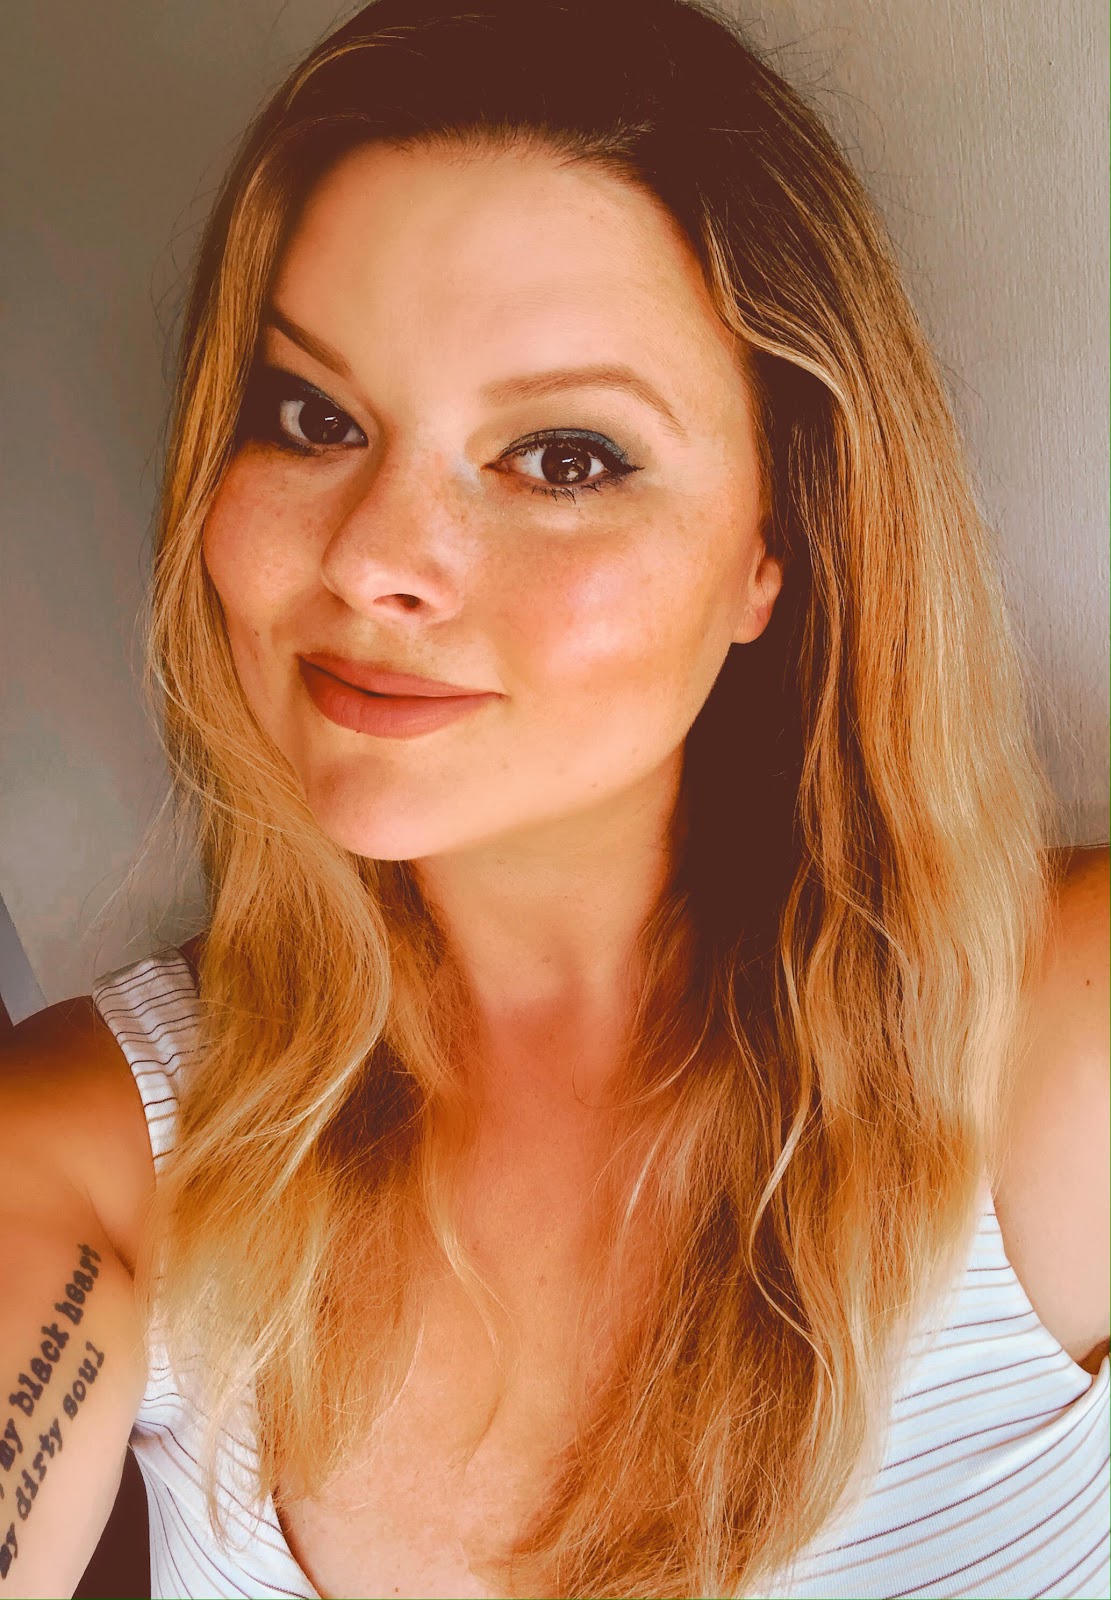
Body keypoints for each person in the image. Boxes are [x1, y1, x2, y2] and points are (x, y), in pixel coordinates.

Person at [2, 0, 1108, 1595]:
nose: (374, 560)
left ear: (775, 543)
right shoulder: (87, 1149)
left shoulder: (1063, 1042)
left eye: (567, 457)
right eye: (314, 418)